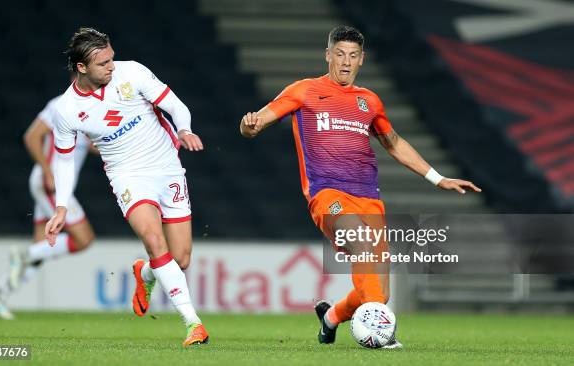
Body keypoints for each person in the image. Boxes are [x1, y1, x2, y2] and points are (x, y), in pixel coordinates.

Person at [240, 25, 481, 348]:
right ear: (328, 55)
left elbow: (393, 143)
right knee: (361, 244)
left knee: (379, 291)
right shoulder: (304, 91)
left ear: (361, 60)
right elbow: (259, 122)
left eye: (352, 56)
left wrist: (438, 178)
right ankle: (382, 335)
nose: (345, 61)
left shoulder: (369, 101)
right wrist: (249, 125)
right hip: (327, 193)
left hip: (368, 196)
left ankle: (331, 318)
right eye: (339, 54)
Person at [44, 28, 208, 346]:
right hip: (127, 176)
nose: (111, 66)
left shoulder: (132, 71)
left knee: (181, 259)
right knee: (152, 238)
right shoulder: (65, 110)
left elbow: (176, 106)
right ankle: (193, 323)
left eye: (111, 57)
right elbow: (62, 160)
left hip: (167, 169)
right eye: (103, 63)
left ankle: (145, 273)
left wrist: (185, 129)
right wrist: (62, 206)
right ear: (81, 67)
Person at [0, 84, 96, 320]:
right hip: (51, 185)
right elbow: (32, 135)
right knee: (83, 239)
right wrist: (47, 172)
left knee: (42, 249)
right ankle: (23, 253)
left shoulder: (93, 109)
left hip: (55, 187)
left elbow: (94, 145)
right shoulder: (60, 105)